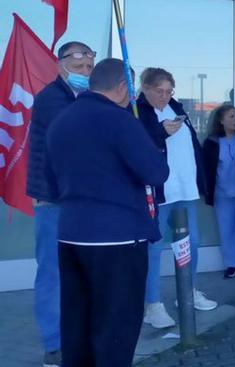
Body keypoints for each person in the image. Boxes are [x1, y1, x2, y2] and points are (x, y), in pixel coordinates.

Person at [46, 58, 169, 367]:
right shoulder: (121, 120)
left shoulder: (61, 120)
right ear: (121, 87)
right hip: (118, 239)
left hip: (71, 236)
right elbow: (155, 172)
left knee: (78, 324)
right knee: (116, 327)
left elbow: (50, 180)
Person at [26, 41, 94, 367]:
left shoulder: (90, 99)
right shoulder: (50, 99)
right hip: (53, 201)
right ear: (61, 65)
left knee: (84, 273)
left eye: (89, 68)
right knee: (53, 275)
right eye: (79, 68)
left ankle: (81, 337)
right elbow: (77, 138)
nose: (85, 74)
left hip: (84, 202)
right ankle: (54, 345)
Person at [137, 68, 217, 329]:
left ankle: (188, 292)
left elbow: (191, 146)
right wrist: (160, 132)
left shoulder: (175, 107)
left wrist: (202, 180)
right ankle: (152, 304)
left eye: (168, 91)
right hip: (159, 193)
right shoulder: (137, 110)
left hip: (184, 189)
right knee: (154, 248)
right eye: (158, 91)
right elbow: (137, 144)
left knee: (191, 242)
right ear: (144, 88)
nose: (164, 96)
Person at [202, 105, 235, 279]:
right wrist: (205, 189)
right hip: (221, 193)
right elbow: (205, 169)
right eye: (231, 116)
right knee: (226, 229)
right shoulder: (211, 142)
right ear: (221, 120)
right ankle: (231, 265)